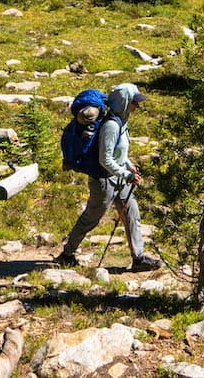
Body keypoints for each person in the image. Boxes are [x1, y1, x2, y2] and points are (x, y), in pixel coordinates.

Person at [54, 83, 162, 271]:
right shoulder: (111, 125)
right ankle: (67, 254)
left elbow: (118, 152)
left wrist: (128, 164)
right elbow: (105, 159)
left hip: (120, 178)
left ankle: (139, 258)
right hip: (104, 181)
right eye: (134, 102)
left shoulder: (121, 121)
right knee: (91, 218)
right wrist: (126, 174)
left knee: (132, 215)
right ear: (125, 102)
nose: (137, 106)